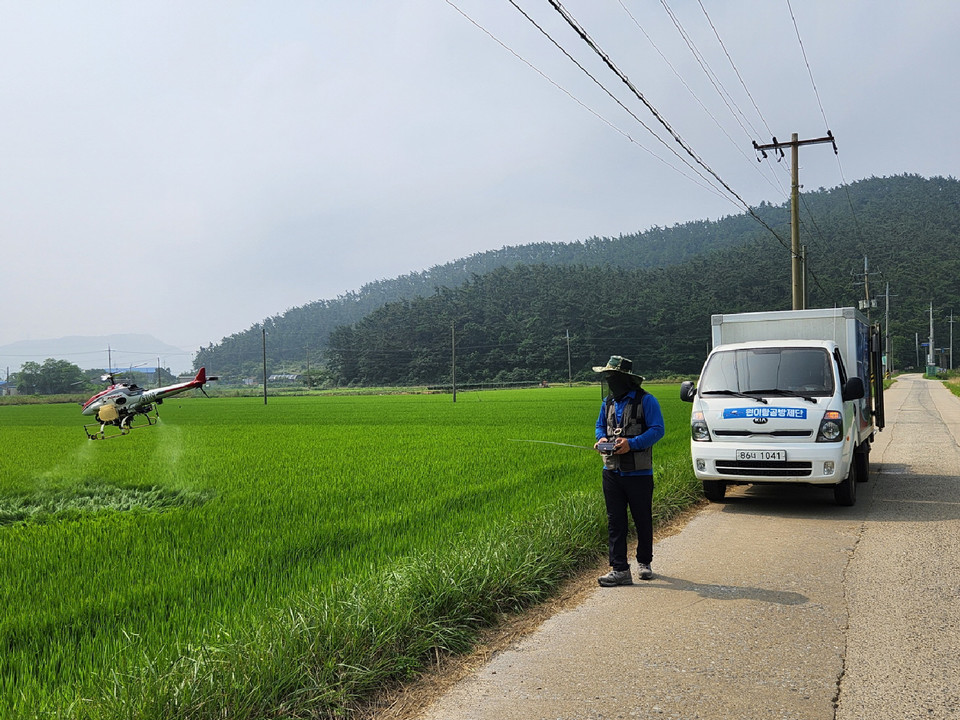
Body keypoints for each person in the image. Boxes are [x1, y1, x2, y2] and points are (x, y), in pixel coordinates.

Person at [592, 355, 665, 587]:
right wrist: (601, 438)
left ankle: (644, 561)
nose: (609, 381)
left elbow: (658, 430)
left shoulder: (647, 401)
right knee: (615, 521)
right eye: (607, 377)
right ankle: (620, 569)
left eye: (612, 376)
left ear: (626, 379)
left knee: (642, 518)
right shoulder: (608, 403)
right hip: (611, 471)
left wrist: (631, 444)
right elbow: (599, 425)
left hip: (639, 473)